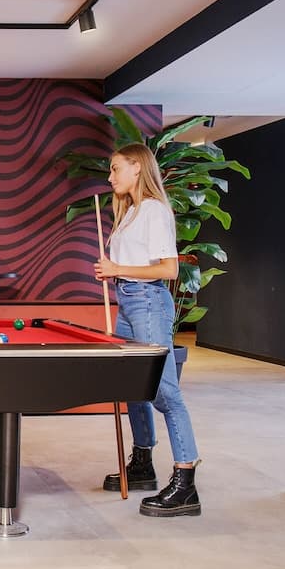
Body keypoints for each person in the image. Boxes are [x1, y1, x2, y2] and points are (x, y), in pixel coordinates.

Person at [94, 143, 201, 517]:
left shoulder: (154, 210)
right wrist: (113, 271)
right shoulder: (130, 211)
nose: (111, 177)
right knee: (132, 386)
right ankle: (142, 464)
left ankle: (185, 483)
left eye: (115, 168)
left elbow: (169, 269)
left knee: (165, 392)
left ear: (137, 167)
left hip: (148, 301)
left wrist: (116, 269)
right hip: (128, 300)